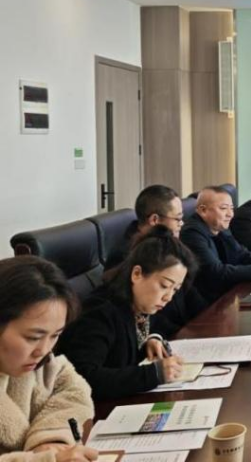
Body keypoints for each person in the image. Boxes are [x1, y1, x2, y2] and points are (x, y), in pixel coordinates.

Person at [57, 227, 194, 401]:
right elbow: (83, 377)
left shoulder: (141, 301)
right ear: (137, 274)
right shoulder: (100, 313)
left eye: (175, 289)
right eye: (164, 286)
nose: (168, 297)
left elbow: (159, 325)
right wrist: (154, 374)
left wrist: (153, 337)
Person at [0, 256, 98, 462]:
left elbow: (73, 390)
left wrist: (49, 440)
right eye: (32, 337)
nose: (44, 350)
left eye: (55, 335)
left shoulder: (39, 365)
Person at [104, 184, 208, 336]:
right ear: (154, 219)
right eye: (178, 219)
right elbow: (145, 315)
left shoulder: (169, 245)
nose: (182, 224)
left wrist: (210, 317)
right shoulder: (126, 254)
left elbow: (188, 292)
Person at [180, 186, 251, 303]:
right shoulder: (191, 233)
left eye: (231, 208)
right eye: (223, 208)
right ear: (203, 210)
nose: (230, 214)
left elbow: (241, 255)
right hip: (207, 302)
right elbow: (217, 273)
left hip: (227, 294)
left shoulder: (220, 226)